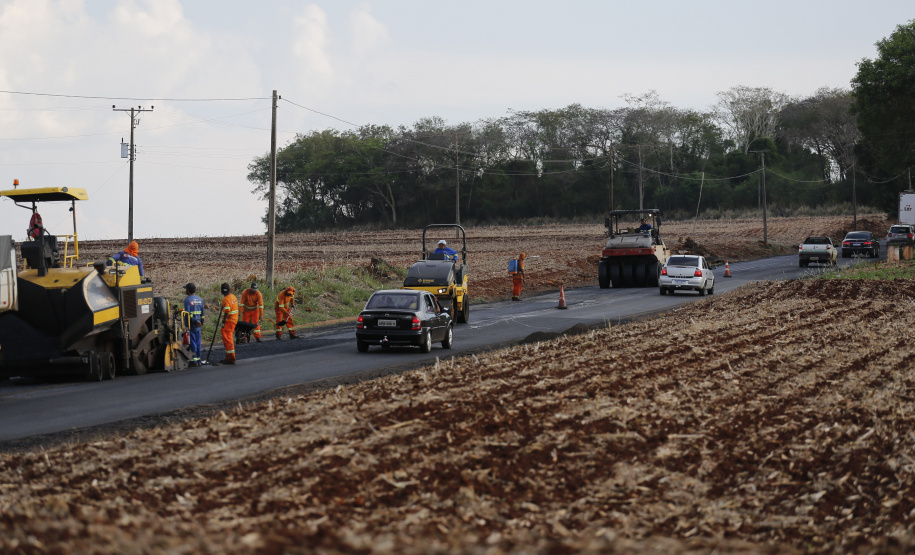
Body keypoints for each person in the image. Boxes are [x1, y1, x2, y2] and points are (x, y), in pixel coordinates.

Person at [183, 282, 204, 366]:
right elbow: (202, 313)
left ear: (188, 291)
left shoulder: (187, 300)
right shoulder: (200, 299)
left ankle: (194, 361)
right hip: (198, 325)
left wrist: (193, 321)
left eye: (186, 289)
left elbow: (188, 313)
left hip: (191, 324)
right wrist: (201, 323)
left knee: (193, 342)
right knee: (198, 342)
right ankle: (198, 359)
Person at [219, 282, 239, 364]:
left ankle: (231, 357)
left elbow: (227, 310)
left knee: (228, 339)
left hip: (229, 321)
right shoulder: (233, 297)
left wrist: (224, 320)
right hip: (234, 320)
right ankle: (228, 356)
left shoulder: (226, 299)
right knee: (227, 338)